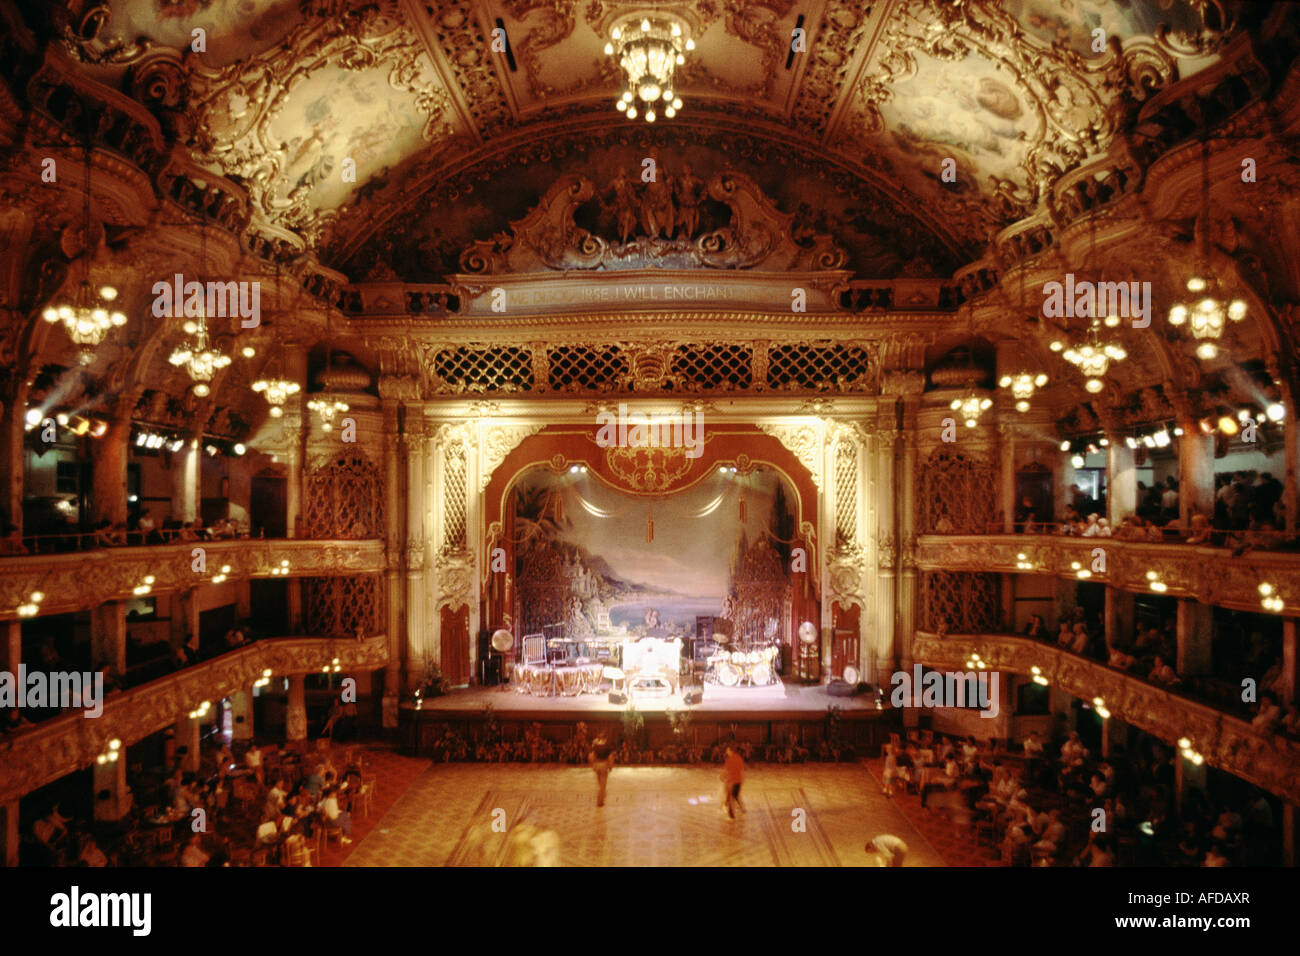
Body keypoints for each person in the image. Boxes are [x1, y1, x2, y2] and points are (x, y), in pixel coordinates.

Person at [589, 737, 615, 807]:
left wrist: (592, 765)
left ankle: (602, 797)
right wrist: (610, 767)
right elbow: (610, 757)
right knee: (603, 785)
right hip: (604, 765)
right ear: (605, 739)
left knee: (600, 784)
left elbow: (591, 756)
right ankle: (600, 801)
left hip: (597, 765)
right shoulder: (607, 747)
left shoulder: (596, 747)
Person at [721, 744, 745, 819]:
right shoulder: (739, 758)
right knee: (736, 796)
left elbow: (726, 771)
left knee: (731, 797)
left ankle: (731, 815)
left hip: (732, 781)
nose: (726, 752)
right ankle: (742, 808)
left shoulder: (729, 760)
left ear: (731, 751)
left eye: (727, 750)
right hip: (739, 781)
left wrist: (722, 777)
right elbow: (741, 770)